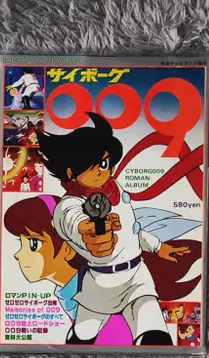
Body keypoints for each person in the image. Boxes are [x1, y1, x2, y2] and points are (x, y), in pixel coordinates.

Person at [37, 113, 200, 345]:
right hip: (101, 282)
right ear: (71, 172)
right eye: (95, 166)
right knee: (84, 333)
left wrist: (158, 247)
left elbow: (132, 231)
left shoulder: (113, 189)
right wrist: (90, 230)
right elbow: (73, 222)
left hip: (137, 276)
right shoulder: (69, 205)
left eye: (105, 164)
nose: (104, 171)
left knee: (153, 330)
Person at [4, 194, 132, 345]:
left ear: (68, 248)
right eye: (21, 243)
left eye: (33, 244)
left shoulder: (96, 294)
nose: (17, 255)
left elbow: (118, 338)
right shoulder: (68, 292)